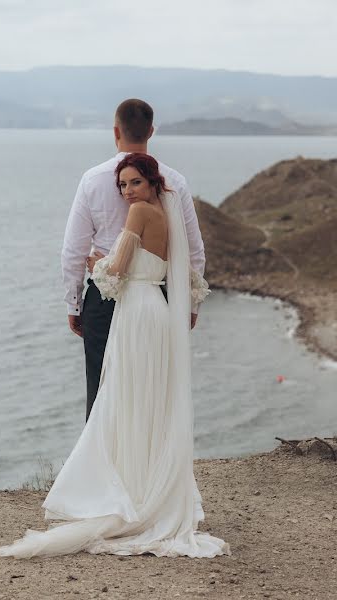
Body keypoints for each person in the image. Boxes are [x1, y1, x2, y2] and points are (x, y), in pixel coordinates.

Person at [0, 153, 227, 559]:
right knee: (145, 399)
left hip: (136, 312)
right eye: (122, 185)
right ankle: (145, 487)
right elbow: (181, 263)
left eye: (134, 182)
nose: (127, 191)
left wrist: (97, 264)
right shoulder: (166, 215)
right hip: (154, 307)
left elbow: (116, 272)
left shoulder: (138, 212)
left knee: (122, 397)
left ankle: (127, 493)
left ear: (153, 181)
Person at [61, 99, 206, 420]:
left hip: (104, 299)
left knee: (101, 390)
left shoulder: (92, 179)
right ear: (151, 131)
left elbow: (73, 251)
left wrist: (74, 305)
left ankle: (104, 465)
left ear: (115, 131)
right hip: (159, 299)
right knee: (151, 389)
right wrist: (190, 305)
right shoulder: (174, 182)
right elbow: (194, 251)